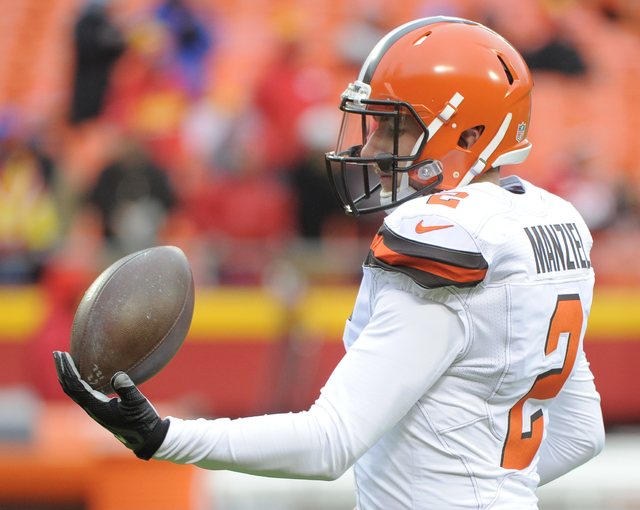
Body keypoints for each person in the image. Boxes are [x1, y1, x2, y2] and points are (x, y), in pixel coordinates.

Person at [54, 17, 605, 509]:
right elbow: (581, 434)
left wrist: (164, 436)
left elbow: (332, 440)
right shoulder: (550, 220)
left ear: (469, 134)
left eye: (396, 128)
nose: (370, 150)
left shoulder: (446, 234)